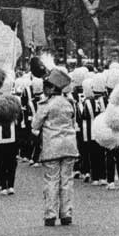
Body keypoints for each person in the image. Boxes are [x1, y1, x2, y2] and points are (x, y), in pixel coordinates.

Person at [31, 67, 77, 226]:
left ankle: (50, 214)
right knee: (67, 181)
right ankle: (66, 213)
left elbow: (35, 125)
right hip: (70, 145)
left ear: (51, 88)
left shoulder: (46, 104)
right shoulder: (70, 103)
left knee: (51, 181)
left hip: (52, 146)